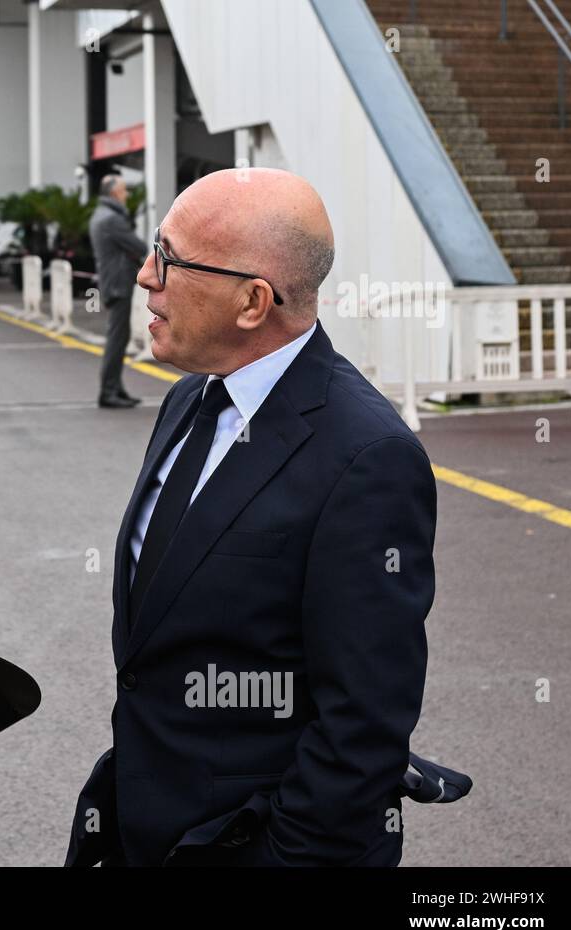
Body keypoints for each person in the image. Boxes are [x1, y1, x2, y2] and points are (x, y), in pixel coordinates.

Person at [65, 168, 438, 866]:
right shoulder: (189, 402)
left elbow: (363, 723)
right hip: (139, 824)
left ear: (252, 302)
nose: (147, 276)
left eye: (170, 259)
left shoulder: (367, 456)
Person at [88, 174, 149, 408]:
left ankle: (116, 387)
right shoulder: (112, 219)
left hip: (113, 281)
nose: (127, 195)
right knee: (117, 339)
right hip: (118, 283)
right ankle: (109, 391)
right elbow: (139, 246)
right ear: (114, 193)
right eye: (124, 190)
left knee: (119, 337)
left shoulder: (102, 215)